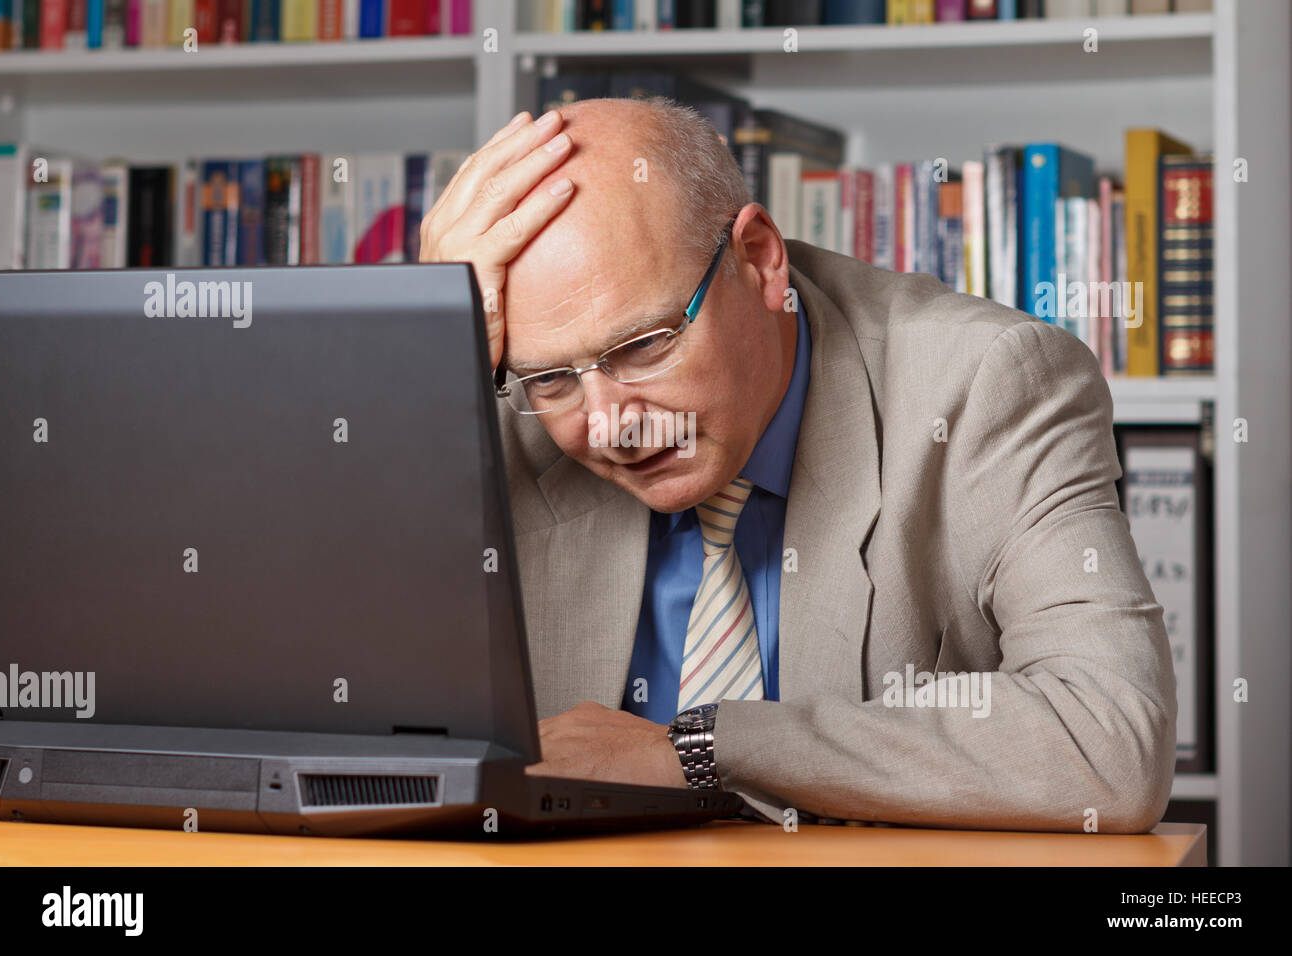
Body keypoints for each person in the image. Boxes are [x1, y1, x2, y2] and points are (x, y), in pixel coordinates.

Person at [418, 97, 1176, 832]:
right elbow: (323, 707)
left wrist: (699, 753)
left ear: (758, 259)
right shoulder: (493, 398)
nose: (609, 425)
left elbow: (1108, 738)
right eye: (552, 380)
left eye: (643, 346)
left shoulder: (983, 384)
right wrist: (418, 360)